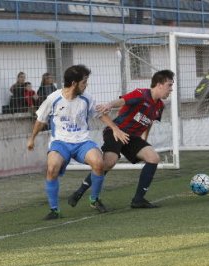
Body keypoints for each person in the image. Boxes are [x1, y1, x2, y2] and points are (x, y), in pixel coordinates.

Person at [27, 65, 129, 220]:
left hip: (82, 142)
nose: (86, 84)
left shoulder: (86, 98)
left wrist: (115, 128)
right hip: (60, 143)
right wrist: (32, 138)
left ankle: (94, 200)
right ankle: (54, 210)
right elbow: (40, 120)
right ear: (74, 83)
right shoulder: (53, 98)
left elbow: (100, 114)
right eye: (84, 81)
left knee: (98, 163)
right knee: (52, 168)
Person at [67, 70, 175, 209]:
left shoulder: (160, 106)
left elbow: (150, 121)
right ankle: (79, 192)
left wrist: (145, 140)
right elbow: (123, 100)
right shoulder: (141, 94)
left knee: (153, 158)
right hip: (116, 131)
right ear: (159, 85)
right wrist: (109, 105)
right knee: (108, 163)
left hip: (132, 138)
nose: (171, 89)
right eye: (169, 85)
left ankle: (138, 200)